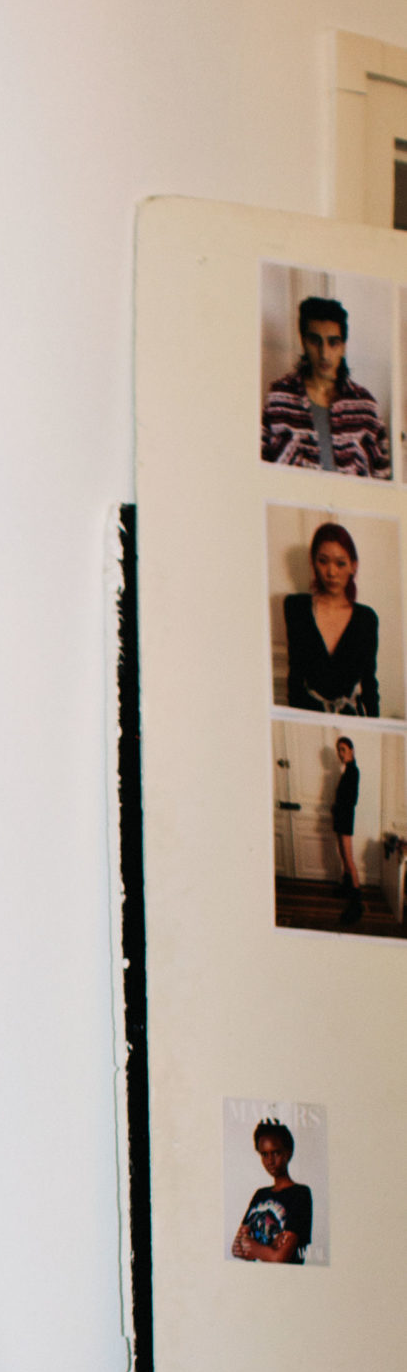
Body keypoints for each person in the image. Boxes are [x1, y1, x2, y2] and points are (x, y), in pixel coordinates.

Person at [261, 297, 390, 476]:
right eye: (315, 341)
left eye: (333, 342)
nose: (324, 353)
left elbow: (382, 475)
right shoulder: (279, 398)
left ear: (343, 347)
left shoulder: (366, 407)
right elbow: (261, 466)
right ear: (303, 342)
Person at [283, 522, 380, 715]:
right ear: (313, 562)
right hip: (307, 714)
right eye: (323, 561)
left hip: (349, 717)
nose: (331, 572)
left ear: (353, 566)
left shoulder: (366, 619)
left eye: (340, 563)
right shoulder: (296, 607)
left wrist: (375, 724)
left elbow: (369, 684)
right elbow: (295, 679)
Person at [231, 1119, 314, 1264]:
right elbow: (236, 1248)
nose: (270, 1161)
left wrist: (255, 1247)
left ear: (288, 1153)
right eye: (264, 1154)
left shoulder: (300, 1194)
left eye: (275, 1153)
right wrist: (271, 1247)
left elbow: (280, 1258)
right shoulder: (260, 1194)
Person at [329, 733, 363, 922]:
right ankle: (346, 887)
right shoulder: (347, 770)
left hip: (346, 819)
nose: (341, 754)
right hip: (340, 817)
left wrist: (339, 807)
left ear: (351, 750)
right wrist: (335, 807)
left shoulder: (353, 771)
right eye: (339, 751)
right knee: (342, 854)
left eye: (343, 750)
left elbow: (352, 800)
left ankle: (357, 904)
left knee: (349, 859)